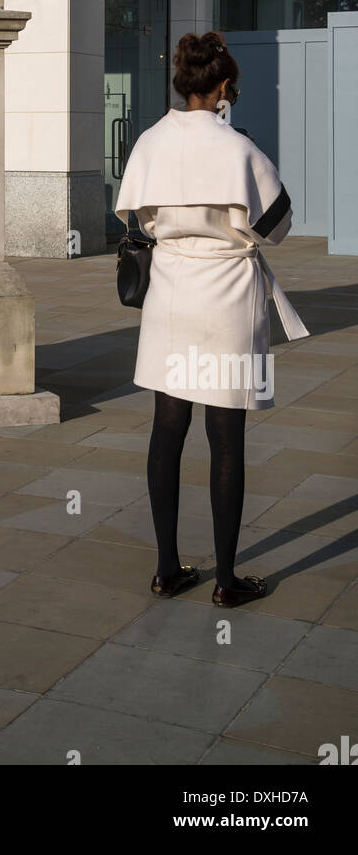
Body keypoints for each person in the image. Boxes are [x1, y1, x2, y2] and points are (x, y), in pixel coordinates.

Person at [115, 32, 310, 608]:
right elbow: (278, 226)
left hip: (170, 297)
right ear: (224, 88)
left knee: (166, 431)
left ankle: (167, 569)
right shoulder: (238, 148)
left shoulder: (149, 141)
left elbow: (135, 220)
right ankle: (226, 581)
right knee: (225, 441)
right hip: (227, 298)